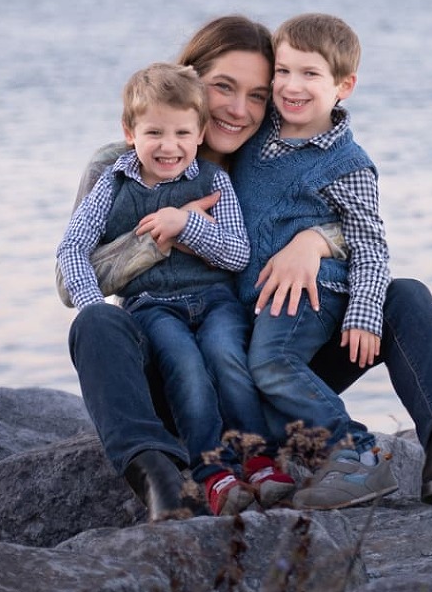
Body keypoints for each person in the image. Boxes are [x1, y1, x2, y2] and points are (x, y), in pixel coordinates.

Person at [66, 15, 432, 521]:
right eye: (223, 88)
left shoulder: (268, 147)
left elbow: (355, 225)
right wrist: (162, 235)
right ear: (190, 79)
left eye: (257, 95)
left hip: (266, 361)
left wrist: (313, 241)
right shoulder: (123, 165)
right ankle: (157, 474)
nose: (238, 110)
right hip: (175, 364)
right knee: (95, 323)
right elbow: (70, 281)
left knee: (404, 296)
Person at [56, 62, 293, 515]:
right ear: (130, 132)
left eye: (183, 133)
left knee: (227, 356)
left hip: (215, 299)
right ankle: (213, 472)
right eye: (155, 134)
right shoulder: (113, 182)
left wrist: (185, 225)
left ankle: (258, 458)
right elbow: (72, 250)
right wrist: (97, 311)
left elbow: (236, 255)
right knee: (184, 364)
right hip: (152, 307)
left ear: (201, 132)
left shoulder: (214, 180)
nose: (170, 147)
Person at [230, 13, 397, 508]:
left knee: (272, 363)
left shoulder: (348, 164)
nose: (291, 85)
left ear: (344, 86)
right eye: (282, 71)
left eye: (309, 74)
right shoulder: (258, 136)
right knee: (257, 385)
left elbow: (369, 243)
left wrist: (365, 313)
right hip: (260, 296)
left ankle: (357, 453)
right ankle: (315, 460)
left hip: (312, 292)